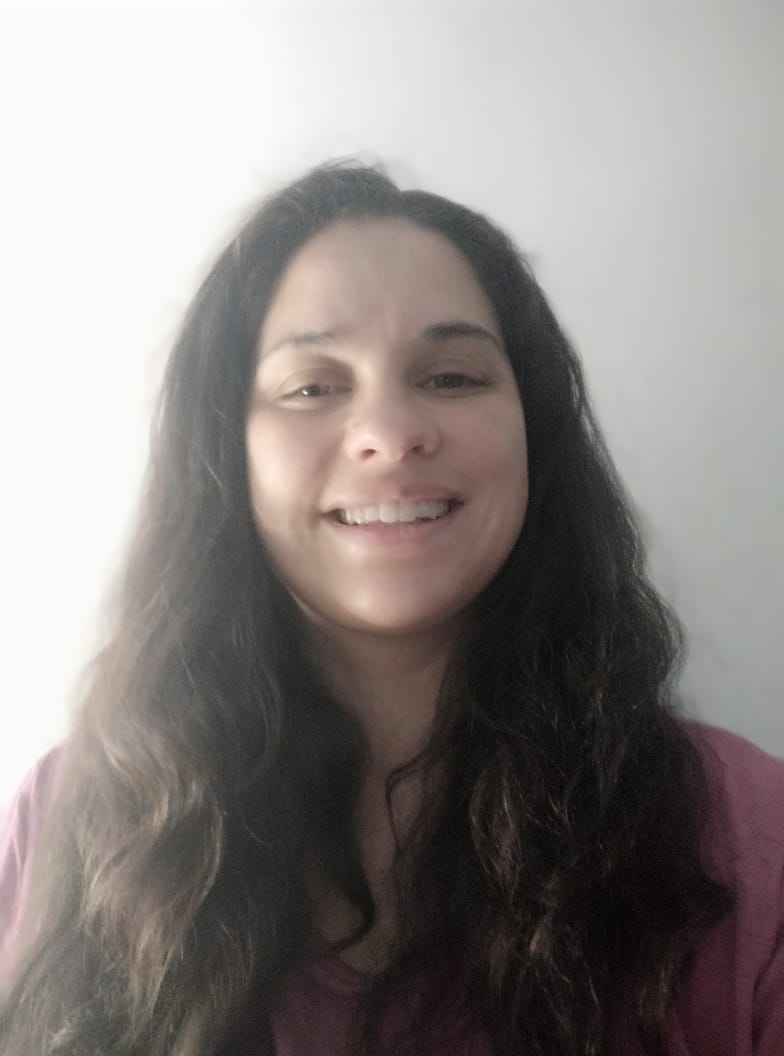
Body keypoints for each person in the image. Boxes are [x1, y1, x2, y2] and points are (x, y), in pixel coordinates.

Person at [0, 161, 781, 1056]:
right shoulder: (64, 823)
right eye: (312, 387)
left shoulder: (749, 833)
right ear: (226, 454)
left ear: (536, 432)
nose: (390, 433)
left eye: (450, 377)